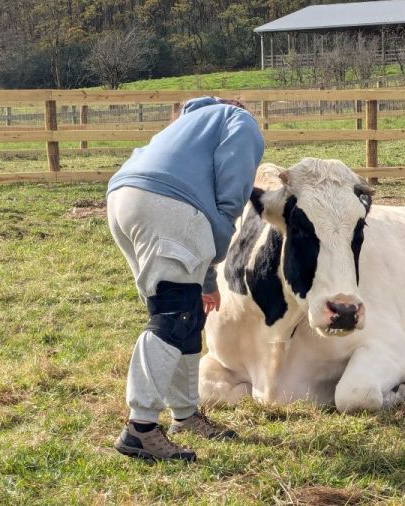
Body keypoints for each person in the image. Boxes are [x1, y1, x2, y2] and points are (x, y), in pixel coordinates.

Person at [106, 96, 265, 461]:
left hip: (125, 197)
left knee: (186, 311)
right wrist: (221, 250)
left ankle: (185, 415)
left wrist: (205, 281)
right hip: (168, 204)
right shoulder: (240, 120)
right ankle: (140, 428)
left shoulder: (189, 123)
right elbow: (232, 191)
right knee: (173, 317)